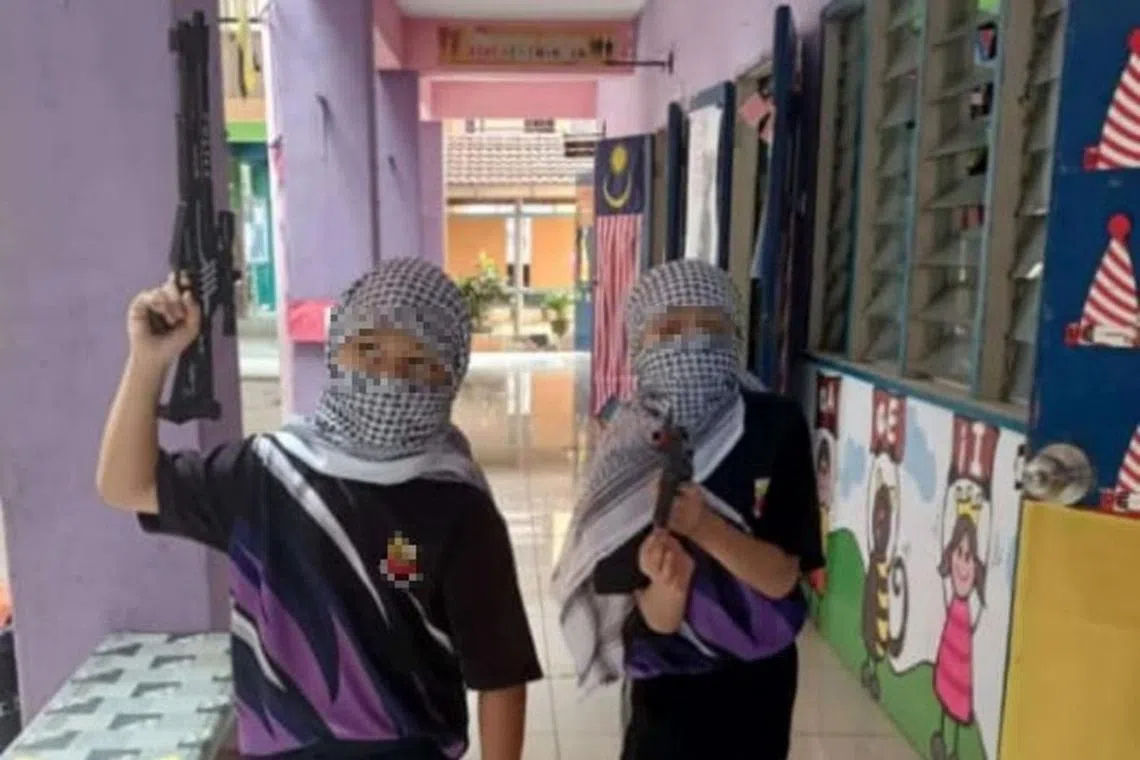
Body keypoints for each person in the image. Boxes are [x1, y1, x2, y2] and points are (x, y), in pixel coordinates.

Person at [96, 259, 541, 759]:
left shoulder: (456, 505)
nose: (390, 377)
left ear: (451, 373)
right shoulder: (265, 475)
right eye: (369, 350)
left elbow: (501, 676)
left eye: (418, 362)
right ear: (337, 350)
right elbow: (125, 485)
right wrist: (149, 361)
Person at [552, 259, 824, 760]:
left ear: (735, 333)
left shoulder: (775, 425)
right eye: (670, 328)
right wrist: (667, 585)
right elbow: (648, 615)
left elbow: (783, 577)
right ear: (640, 344)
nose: (691, 342)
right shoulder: (632, 443)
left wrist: (705, 528)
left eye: (711, 326)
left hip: (758, 677)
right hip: (667, 680)